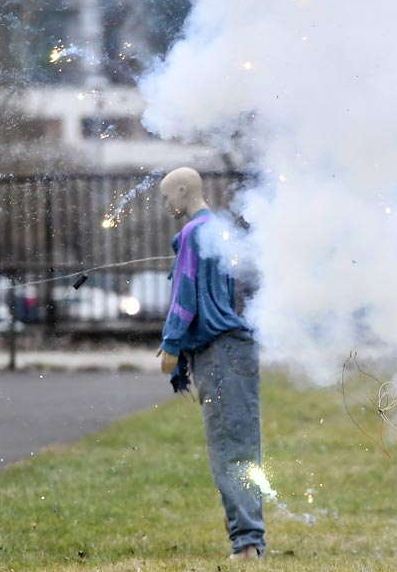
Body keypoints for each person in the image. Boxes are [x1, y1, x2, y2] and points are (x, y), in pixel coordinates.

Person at [157, 166, 265, 560]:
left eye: (167, 196)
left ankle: (247, 543)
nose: (165, 204)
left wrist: (171, 346)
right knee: (243, 446)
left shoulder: (193, 233)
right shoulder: (221, 229)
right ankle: (247, 534)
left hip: (219, 353)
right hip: (240, 350)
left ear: (184, 190)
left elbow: (184, 295)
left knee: (228, 449)